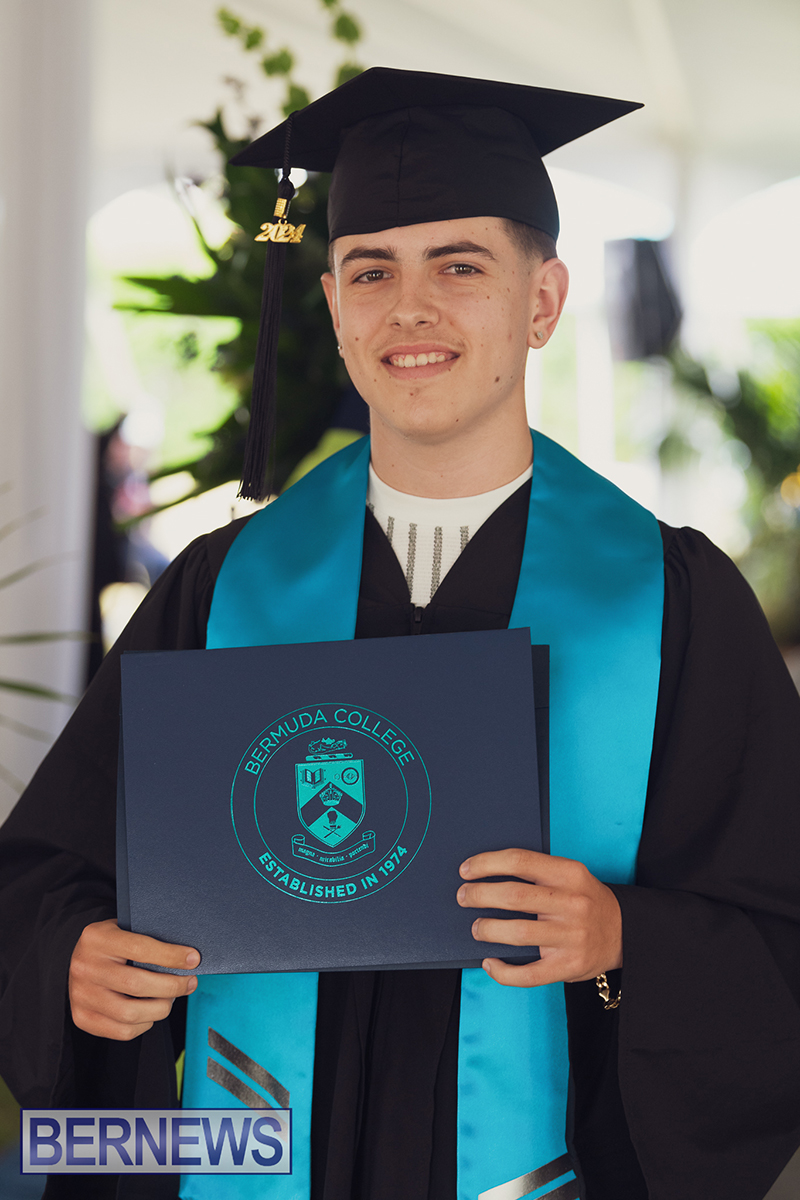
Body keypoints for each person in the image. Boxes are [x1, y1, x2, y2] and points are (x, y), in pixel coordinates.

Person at [1, 67, 800, 1200]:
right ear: (333, 307)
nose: (409, 309)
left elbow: (777, 926)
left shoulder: (669, 601)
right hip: (254, 1162)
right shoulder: (222, 589)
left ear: (543, 302)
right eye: (372, 271)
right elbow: (44, 877)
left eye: (459, 267)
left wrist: (627, 939)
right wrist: (73, 963)